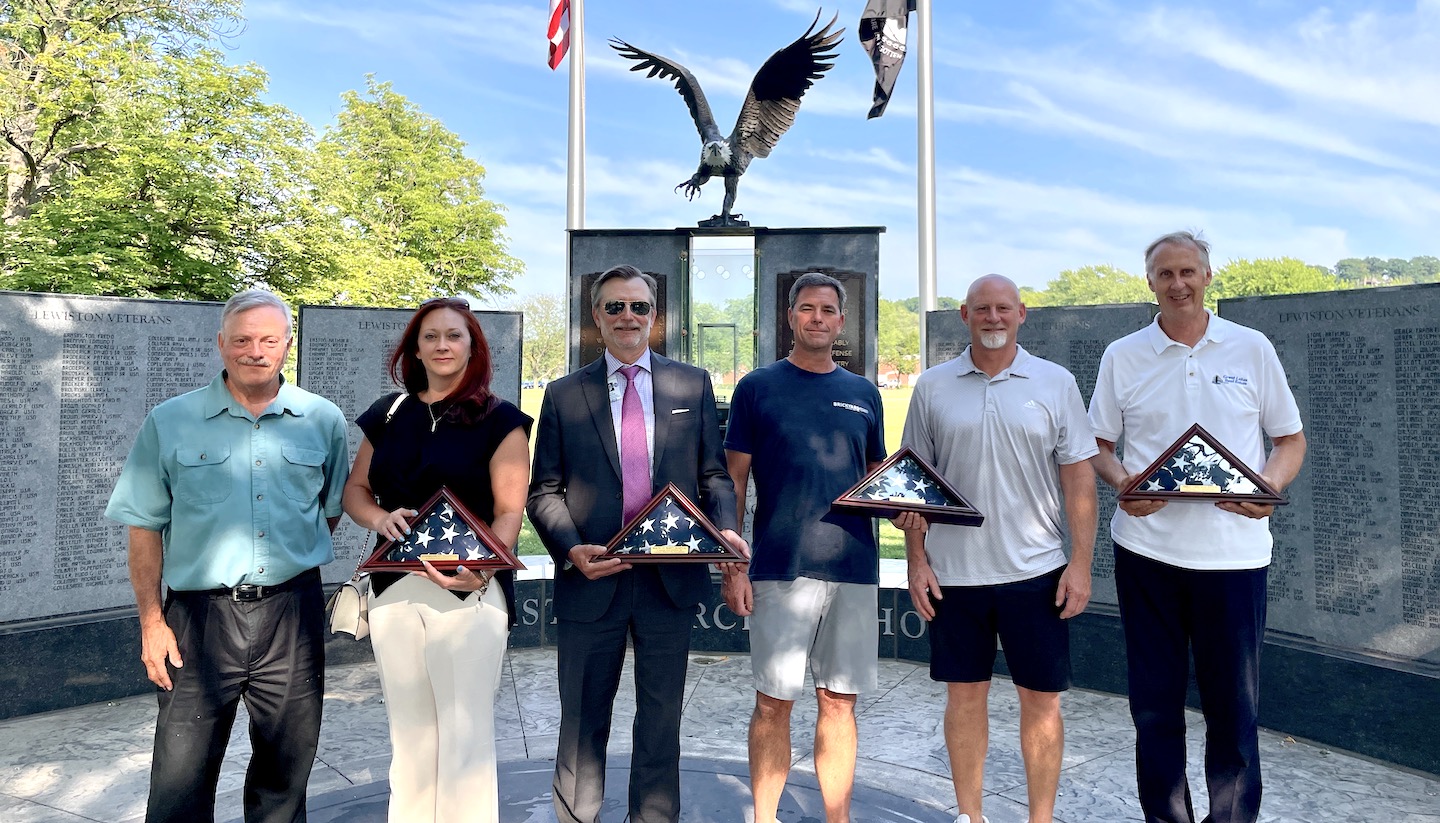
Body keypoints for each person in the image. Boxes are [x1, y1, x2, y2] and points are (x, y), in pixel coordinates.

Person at [105, 289, 349, 823]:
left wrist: (287, 555)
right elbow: (144, 527)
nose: (254, 351)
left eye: (268, 340)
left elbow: (326, 511)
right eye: (242, 340)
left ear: (287, 346)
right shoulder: (170, 421)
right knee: (180, 780)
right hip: (197, 619)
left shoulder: (322, 420)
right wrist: (151, 622)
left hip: (292, 614)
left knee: (284, 778)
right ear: (221, 344)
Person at [1089, 231, 1307, 823]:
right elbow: (1097, 444)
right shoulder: (1123, 355)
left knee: (1233, 710)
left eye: (1188, 271)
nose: (1178, 283)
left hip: (1234, 557)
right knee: (1154, 708)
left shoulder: (1251, 348)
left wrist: (1267, 488)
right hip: (1146, 554)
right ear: (1150, 282)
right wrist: (1124, 482)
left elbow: (1289, 440)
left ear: (1208, 276)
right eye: (1165, 274)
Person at [527, 264, 746, 823]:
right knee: (581, 721)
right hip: (591, 579)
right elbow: (544, 490)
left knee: (661, 719)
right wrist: (571, 549)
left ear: (655, 316)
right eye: (615, 307)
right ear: (596, 317)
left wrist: (724, 528)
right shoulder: (563, 394)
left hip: (669, 582)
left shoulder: (691, 384)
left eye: (639, 307)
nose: (628, 317)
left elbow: (715, 476)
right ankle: (577, 817)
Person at [901, 274, 1098, 823]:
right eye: (982, 308)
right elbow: (913, 482)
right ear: (965, 315)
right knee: (964, 699)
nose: (993, 318)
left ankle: (1040, 818)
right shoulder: (933, 387)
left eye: (1003, 308)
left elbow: (1079, 479)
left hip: (1036, 571)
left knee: (1042, 701)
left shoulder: (1055, 383)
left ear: (1021, 313)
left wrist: (1081, 563)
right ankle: (971, 815)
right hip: (954, 575)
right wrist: (916, 560)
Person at [341, 297, 531, 823]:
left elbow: (509, 511)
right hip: (394, 591)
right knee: (410, 738)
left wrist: (483, 570)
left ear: (473, 348)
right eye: (430, 336)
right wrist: (379, 519)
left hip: (468, 592)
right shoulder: (388, 414)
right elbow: (355, 491)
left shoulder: (502, 420)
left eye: (454, 336)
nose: (442, 345)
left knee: (465, 738)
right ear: (415, 349)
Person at [720, 272, 886, 823]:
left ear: (841, 321)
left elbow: (878, 479)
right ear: (791, 317)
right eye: (807, 308)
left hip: (853, 567)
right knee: (774, 703)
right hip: (779, 566)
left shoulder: (864, 393)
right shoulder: (757, 388)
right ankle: (764, 817)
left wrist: (909, 510)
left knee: (839, 702)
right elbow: (734, 481)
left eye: (828, 310)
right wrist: (733, 566)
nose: (818, 318)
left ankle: (837, 818)